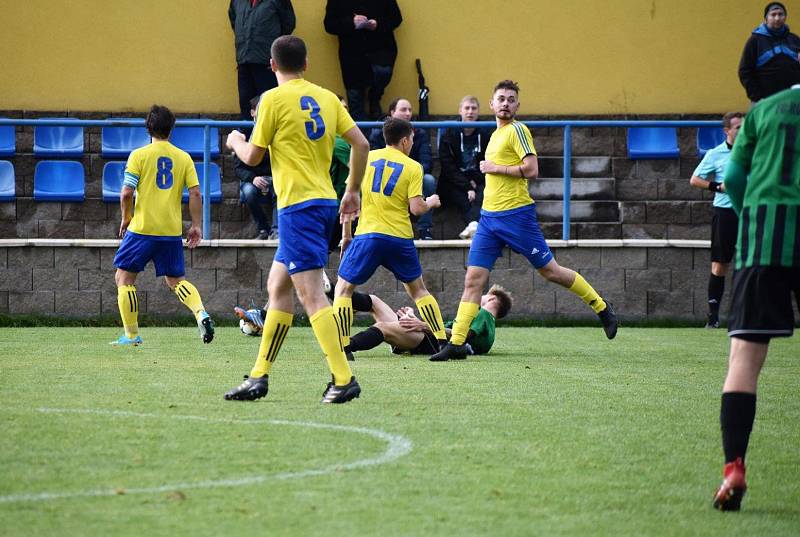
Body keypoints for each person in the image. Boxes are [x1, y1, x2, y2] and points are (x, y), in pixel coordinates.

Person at [223, 35, 370, 404]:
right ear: (305, 64)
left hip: (298, 207)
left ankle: (343, 377)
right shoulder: (326, 97)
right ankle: (259, 376)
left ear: (272, 65)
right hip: (323, 202)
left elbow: (254, 157)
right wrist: (352, 190)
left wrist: (235, 141)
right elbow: (362, 144)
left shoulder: (272, 99)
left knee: (311, 295)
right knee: (278, 289)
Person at [432, 80, 618, 362]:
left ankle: (601, 307)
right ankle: (457, 343)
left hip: (517, 217)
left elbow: (532, 169)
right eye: (501, 99)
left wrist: (495, 168)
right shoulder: (494, 136)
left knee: (551, 272)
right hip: (489, 219)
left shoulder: (518, 130)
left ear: (517, 106)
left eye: (511, 99)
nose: (505, 103)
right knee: (473, 279)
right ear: (492, 104)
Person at [711, 84, 800, 511]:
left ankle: (734, 469)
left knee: (744, 359)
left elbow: (734, 177)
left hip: (765, 241)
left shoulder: (763, 111)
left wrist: (753, 214)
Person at [333, 117, 446, 357]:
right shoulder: (413, 166)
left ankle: (343, 346)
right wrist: (431, 203)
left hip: (368, 235)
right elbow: (416, 209)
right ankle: (442, 341)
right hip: (399, 237)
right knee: (419, 292)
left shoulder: (366, 158)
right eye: (412, 139)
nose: (412, 143)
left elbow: (349, 201)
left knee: (343, 290)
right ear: (405, 140)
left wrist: (346, 235)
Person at [111, 105, 215, 346]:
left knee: (124, 280)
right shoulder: (184, 157)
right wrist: (196, 225)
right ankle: (200, 312)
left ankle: (132, 335)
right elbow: (196, 194)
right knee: (176, 281)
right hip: (170, 231)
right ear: (172, 128)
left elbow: (126, 193)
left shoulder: (139, 155)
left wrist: (126, 218)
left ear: (148, 128)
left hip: (142, 229)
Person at [347, 284, 512, 359]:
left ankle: (344, 346)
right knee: (374, 301)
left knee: (382, 327)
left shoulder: (483, 314)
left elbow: (461, 336)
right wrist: (415, 320)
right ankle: (333, 291)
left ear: (491, 298)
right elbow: (445, 331)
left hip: (427, 343)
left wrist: (423, 325)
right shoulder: (486, 325)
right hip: (425, 338)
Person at [689, 112, 745, 328]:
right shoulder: (715, 153)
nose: (743, 131)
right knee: (720, 264)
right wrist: (718, 187)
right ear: (727, 131)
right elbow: (695, 179)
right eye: (738, 127)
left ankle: (743, 316)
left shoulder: (756, 151)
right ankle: (713, 317)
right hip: (725, 213)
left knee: (751, 263)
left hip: (750, 211)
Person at [369, 98, 437, 239]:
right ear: (392, 112)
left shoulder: (420, 134)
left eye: (410, 110)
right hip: (396, 232)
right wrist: (431, 202)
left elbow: (426, 163)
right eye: (403, 109)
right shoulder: (377, 135)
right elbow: (417, 209)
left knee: (429, 180)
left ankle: (424, 230)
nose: (407, 113)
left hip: (412, 178)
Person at [324, 0, 402, 121]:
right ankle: (360, 136)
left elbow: (396, 18)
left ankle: (374, 100)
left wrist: (377, 24)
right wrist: (351, 22)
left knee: (383, 72)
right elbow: (329, 25)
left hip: (381, 49)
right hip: (352, 53)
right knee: (355, 98)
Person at [228, 0, 296, 124]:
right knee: (246, 107)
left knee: (269, 107)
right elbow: (234, 20)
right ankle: (248, 141)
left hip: (267, 63)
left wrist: (267, 43)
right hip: (244, 60)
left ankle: (269, 142)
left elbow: (288, 25)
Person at [438, 95, 492, 239]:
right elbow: (448, 167)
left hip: (478, 178)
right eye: (466, 108)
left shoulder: (486, 133)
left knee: (486, 190)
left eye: (473, 108)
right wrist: (467, 186)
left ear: (478, 111)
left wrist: (473, 181)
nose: (470, 112)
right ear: (460, 111)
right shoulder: (449, 133)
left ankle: (473, 225)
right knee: (459, 194)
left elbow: (490, 161)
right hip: (455, 181)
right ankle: (475, 224)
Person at [738, 2, 800, 104]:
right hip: (764, 101)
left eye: (780, 14)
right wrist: (757, 97)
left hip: (791, 101)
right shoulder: (755, 40)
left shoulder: (794, 39)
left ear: (785, 17)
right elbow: (744, 71)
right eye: (773, 14)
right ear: (766, 18)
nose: (777, 18)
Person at [236, 96, 276, 240]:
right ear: (252, 112)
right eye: (260, 109)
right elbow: (238, 168)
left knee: (280, 188)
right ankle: (263, 229)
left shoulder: (275, 131)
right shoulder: (244, 133)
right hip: (252, 179)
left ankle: (276, 231)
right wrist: (253, 178)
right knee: (248, 192)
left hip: (274, 176)